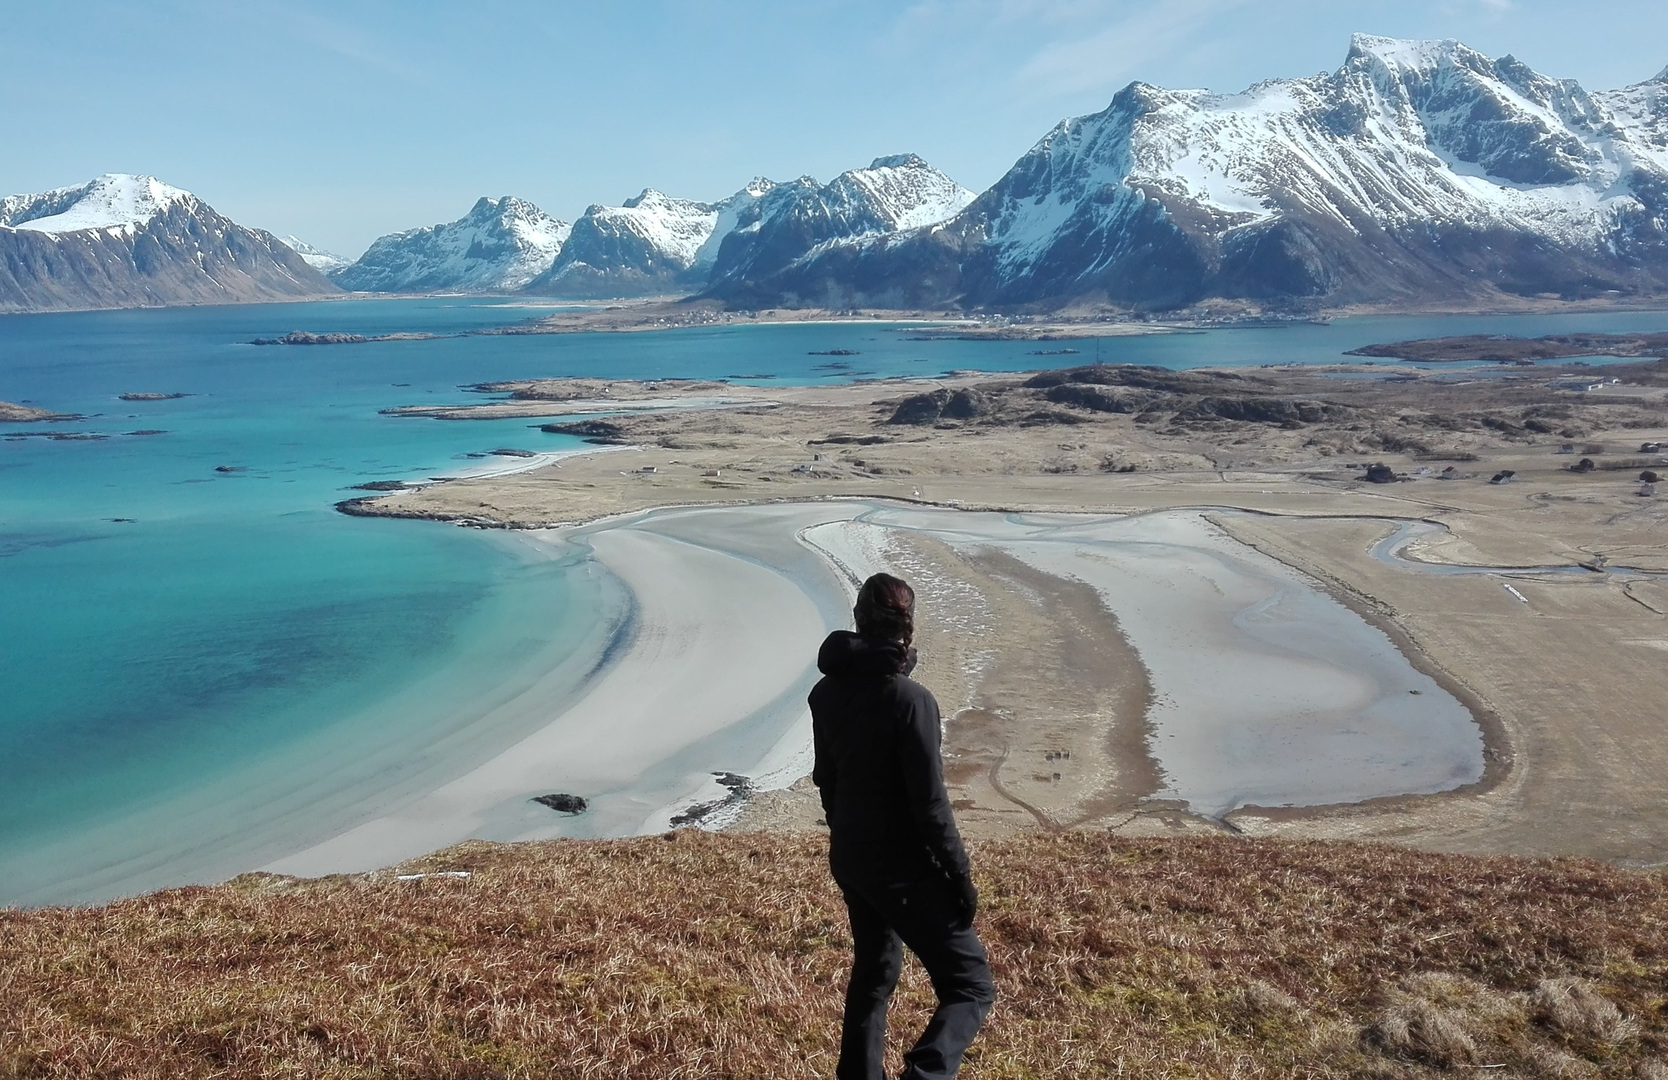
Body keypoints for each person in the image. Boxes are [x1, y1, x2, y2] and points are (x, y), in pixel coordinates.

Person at [810, 572, 995, 1080]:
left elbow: (826, 779)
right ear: (907, 629)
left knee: (875, 973)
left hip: (851, 856)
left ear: (858, 619)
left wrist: (847, 832)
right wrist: (959, 876)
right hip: (902, 868)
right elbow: (930, 804)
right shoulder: (910, 700)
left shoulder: (825, 693)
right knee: (971, 985)